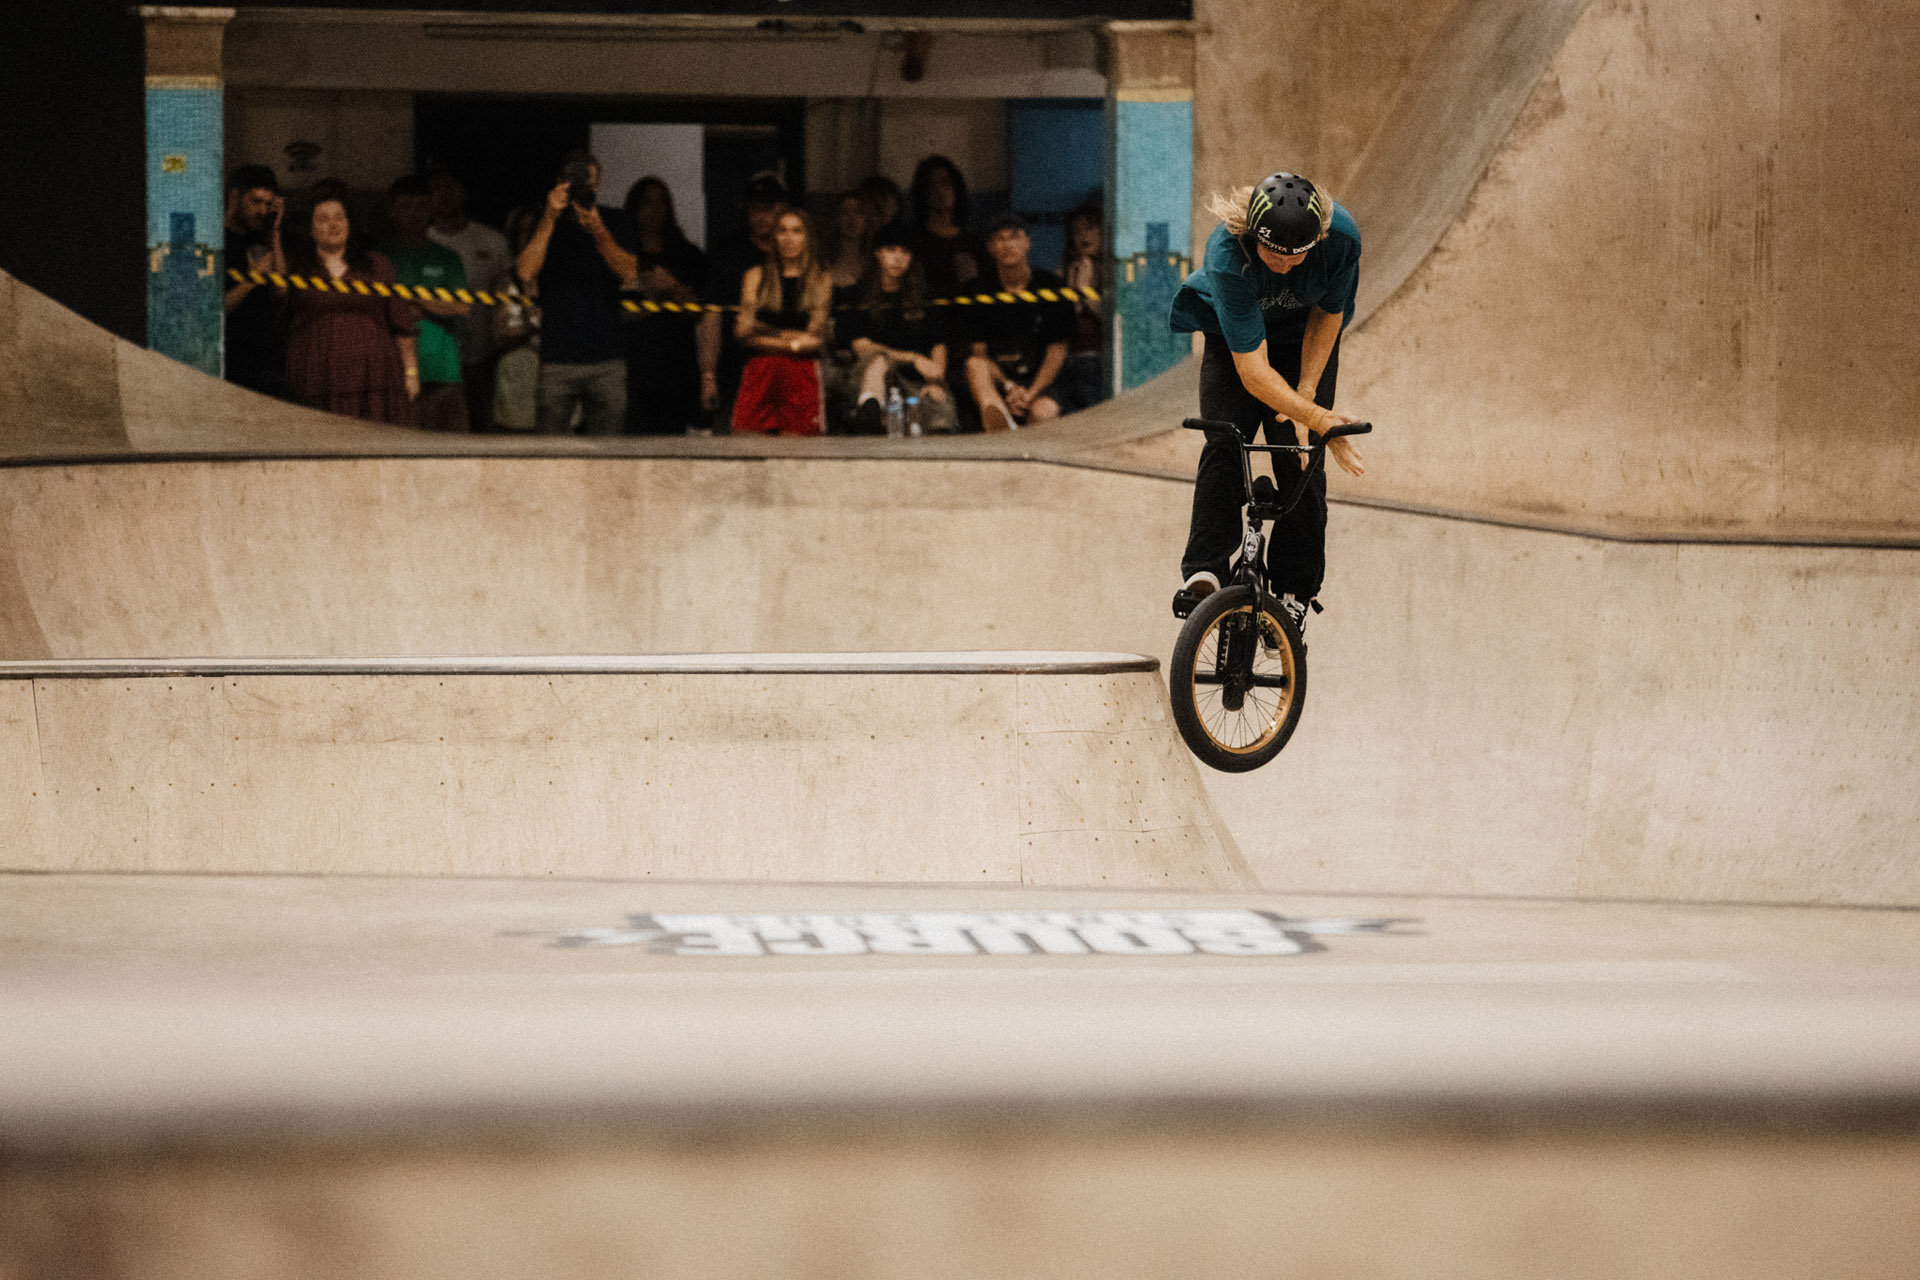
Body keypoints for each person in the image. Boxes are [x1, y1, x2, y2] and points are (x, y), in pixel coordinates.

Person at [1167, 171, 1366, 634]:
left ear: (1315, 240)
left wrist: (1309, 397)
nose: (1282, 266)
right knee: (1224, 438)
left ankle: (1296, 592)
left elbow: (1327, 315)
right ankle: (1205, 571)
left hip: (1302, 339)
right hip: (1235, 336)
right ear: (1253, 236)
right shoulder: (1226, 251)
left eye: (1294, 257)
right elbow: (1252, 371)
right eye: (1272, 254)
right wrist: (1315, 415)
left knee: (1301, 455)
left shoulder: (1341, 241)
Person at [517, 150, 637, 436]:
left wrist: (599, 231)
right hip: (557, 358)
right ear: (561, 183)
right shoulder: (545, 222)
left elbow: (630, 272)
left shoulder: (615, 220)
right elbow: (525, 272)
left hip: (607, 358)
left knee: (610, 453)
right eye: (577, 184)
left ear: (599, 185)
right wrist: (549, 218)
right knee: (549, 453)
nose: (584, 190)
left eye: (590, 185)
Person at [279, 188, 417, 425]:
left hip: (374, 377)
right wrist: (274, 234)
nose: (333, 225)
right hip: (316, 374)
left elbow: (400, 322)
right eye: (323, 219)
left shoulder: (377, 265)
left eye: (339, 217)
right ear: (311, 229)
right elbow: (279, 300)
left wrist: (411, 372)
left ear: (350, 223)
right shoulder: (297, 269)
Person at [836, 222, 957, 435]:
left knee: (940, 420)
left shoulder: (926, 296)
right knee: (880, 359)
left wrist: (936, 381)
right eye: (891, 250)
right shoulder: (855, 296)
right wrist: (912, 358)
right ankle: (871, 408)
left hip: (916, 381)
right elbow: (862, 347)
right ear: (878, 254)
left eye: (905, 252)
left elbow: (939, 344)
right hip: (871, 378)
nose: (898, 259)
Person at [963, 215, 1072, 432]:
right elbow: (980, 353)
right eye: (999, 239)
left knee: (1043, 413)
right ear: (991, 248)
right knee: (974, 365)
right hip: (1000, 381)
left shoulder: (1052, 286)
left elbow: (1057, 351)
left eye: (1014, 237)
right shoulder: (976, 290)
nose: (1008, 245)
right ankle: (1001, 423)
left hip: (1041, 381)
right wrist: (1009, 387)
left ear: (1027, 242)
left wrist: (1030, 394)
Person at [698, 172, 788, 432]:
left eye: (768, 209)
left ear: (781, 209)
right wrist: (708, 375)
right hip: (735, 371)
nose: (760, 216)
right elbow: (711, 318)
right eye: (754, 208)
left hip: (785, 370)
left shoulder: (796, 254)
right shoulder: (728, 254)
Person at [381, 175, 471, 432]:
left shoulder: (447, 257)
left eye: (421, 206)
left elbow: (461, 307)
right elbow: (381, 309)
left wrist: (415, 301)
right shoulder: (380, 257)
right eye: (405, 206)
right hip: (395, 372)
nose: (414, 213)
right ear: (392, 212)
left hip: (443, 371)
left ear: (431, 209)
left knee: (453, 452)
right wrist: (434, 302)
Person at [731, 208, 831, 436]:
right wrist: (790, 341)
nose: (789, 238)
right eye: (782, 231)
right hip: (760, 372)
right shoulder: (755, 276)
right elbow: (743, 332)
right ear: (773, 237)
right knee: (746, 447)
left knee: (800, 456)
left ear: (808, 237)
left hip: (801, 375)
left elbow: (814, 340)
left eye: (797, 231)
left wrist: (762, 332)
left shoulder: (820, 280)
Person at [426, 169, 511, 431]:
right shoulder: (424, 240)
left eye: (450, 186)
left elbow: (506, 292)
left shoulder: (492, 241)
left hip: (482, 356)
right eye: (436, 188)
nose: (444, 194)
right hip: (435, 358)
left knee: (482, 429)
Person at [621, 176, 707, 435]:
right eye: (647, 203)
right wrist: (663, 299)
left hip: (678, 368)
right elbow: (621, 313)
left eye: (661, 203)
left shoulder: (687, 254)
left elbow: (699, 308)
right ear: (634, 209)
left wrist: (672, 288)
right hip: (635, 368)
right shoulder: (623, 255)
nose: (655, 210)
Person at [222, 164, 286, 399]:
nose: (261, 210)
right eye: (255, 201)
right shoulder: (216, 243)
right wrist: (253, 279)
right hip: (231, 361)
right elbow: (215, 308)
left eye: (268, 204)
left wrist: (275, 234)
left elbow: (280, 290)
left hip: (265, 360)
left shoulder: (260, 238)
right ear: (235, 196)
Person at [488, 207, 542, 431]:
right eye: (522, 231)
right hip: (516, 375)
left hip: (551, 377)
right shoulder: (505, 280)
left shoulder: (560, 280)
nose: (527, 238)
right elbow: (499, 333)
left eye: (533, 231)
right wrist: (533, 327)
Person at [909, 155, 984, 302]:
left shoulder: (973, 243)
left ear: (956, 189)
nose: (939, 191)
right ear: (922, 192)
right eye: (932, 185)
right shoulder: (912, 241)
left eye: (946, 184)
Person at [1056, 203, 1108, 412]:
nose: (1083, 236)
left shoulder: (1115, 273)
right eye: (1076, 231)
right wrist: (1073, 287)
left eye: (1090, 228)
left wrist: (1085, 290)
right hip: (1067, 357)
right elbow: (1064, 321)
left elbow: (1112, 319)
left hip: (1099, 357)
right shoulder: (1064, 271)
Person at [819, 190, 871, 289]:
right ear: (837, 218)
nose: (852, 218)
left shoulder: (874, 257)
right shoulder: (823, 256)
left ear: (866, 218)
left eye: (858, 212)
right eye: (844, 212)